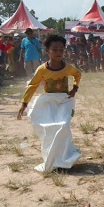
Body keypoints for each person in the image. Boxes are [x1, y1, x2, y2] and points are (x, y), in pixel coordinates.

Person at [17, 35, 82, 173]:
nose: (58, 53)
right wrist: (24, 103)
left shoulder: (67, 68)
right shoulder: (42, 69)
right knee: (50, 130)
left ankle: (65, 159)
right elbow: (32, 85)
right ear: (47, 51)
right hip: (49, 102)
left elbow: (77, 74)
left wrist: (75, 88)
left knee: (63, 127)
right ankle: (52, 160)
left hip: (64, 101)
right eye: (55, 50)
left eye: (61, 50)